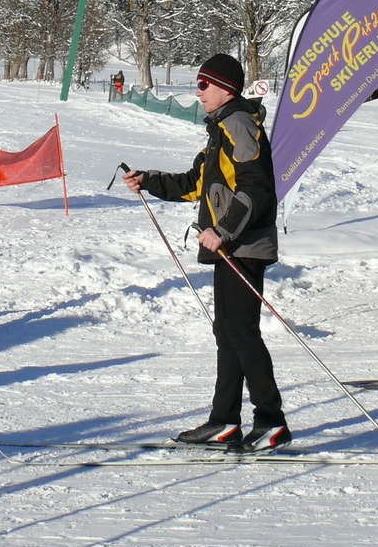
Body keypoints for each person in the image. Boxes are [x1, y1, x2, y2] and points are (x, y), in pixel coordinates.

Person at [122, 52, 289, 451]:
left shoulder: (239, 124)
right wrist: (148, 181)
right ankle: (224, 421)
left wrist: (223, 230)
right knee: (228, 333)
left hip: (242, 245)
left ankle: (271, 421)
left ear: (225, 88)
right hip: (230, 245)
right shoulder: (220, 130)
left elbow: (256, 187)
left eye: (203, 85)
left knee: (240, 332)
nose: (198, 92)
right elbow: (195, 183)